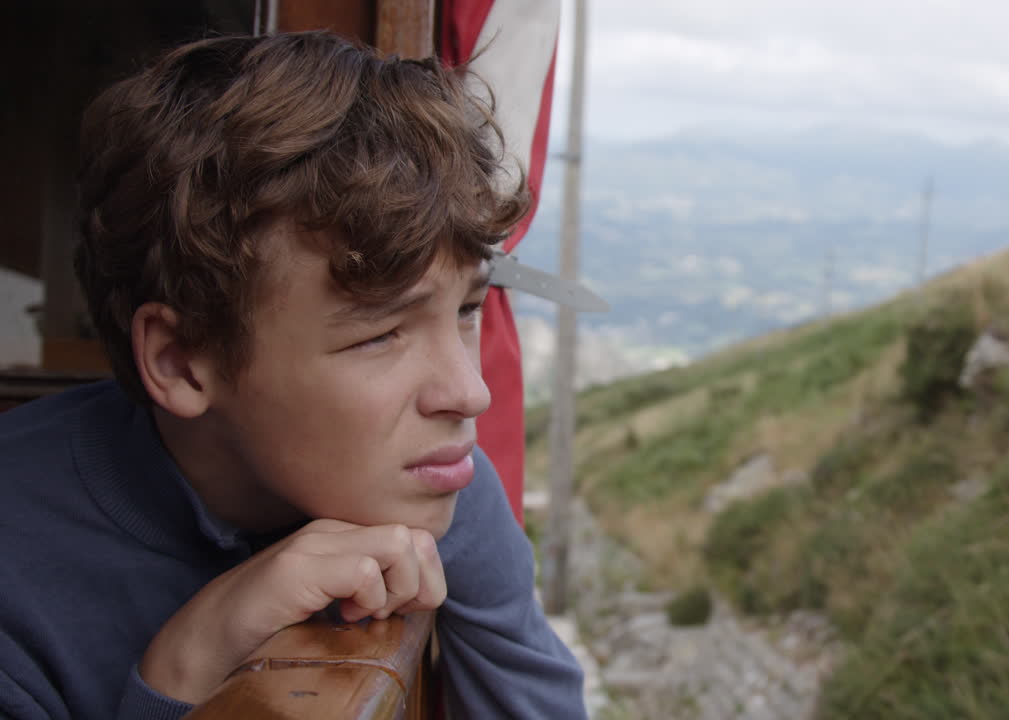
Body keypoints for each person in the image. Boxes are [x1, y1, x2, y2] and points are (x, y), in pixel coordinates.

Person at [0, 31, 585, 719]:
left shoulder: (434, 480)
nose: (469, 393)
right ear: (179, 361)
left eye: (466, 309)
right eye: (380, 334)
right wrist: (186, 665)